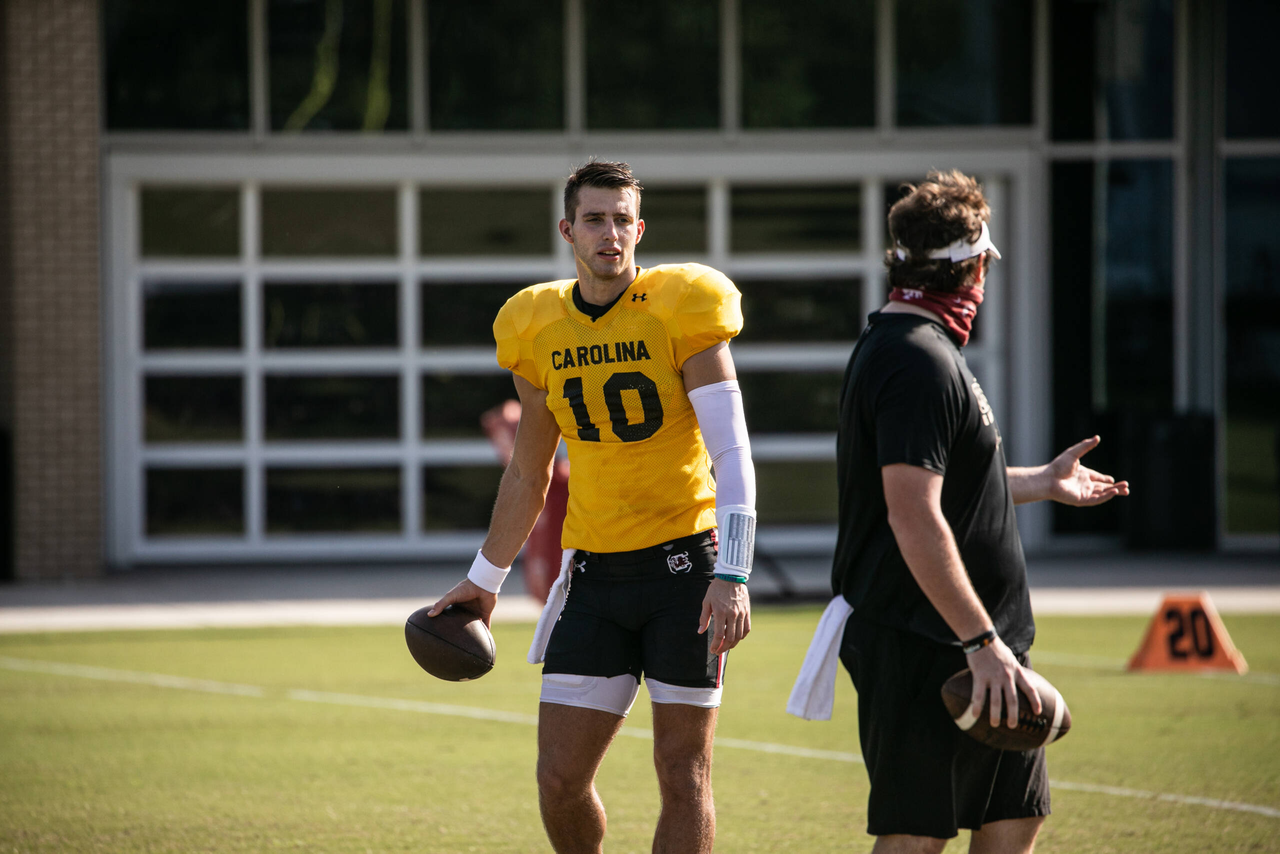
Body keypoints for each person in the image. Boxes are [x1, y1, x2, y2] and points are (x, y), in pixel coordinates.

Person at [790, 170, 1129, 854]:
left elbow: (942, 484)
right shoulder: (916, 359)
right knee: (915, 837)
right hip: (930, 641)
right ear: (973, 267)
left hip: (978, 644)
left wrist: (1039, 482)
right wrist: (981, 643)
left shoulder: (915, 345)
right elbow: (913, 514)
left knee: (1013, 820)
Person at [427, 160, 756, 854]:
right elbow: (529, 468)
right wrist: (484, 580)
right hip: (596, 578)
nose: (611, 233)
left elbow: (732, 453)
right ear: (567, 230)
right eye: (595, 219)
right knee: (559, 778)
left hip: (685, 574)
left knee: (683, 774)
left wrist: (734, 570)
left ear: (640, 228)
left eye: (622, 220)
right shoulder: (535, 322)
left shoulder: (683, 303)